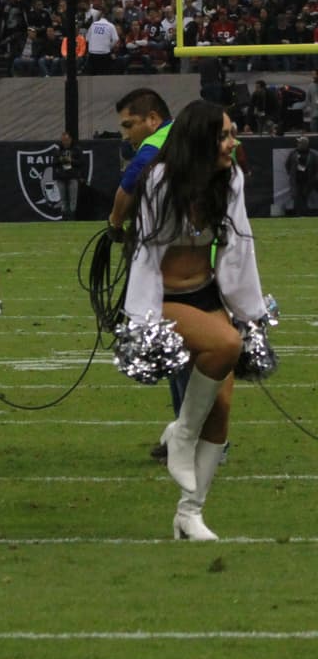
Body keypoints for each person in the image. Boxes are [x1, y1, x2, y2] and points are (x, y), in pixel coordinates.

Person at [122, 100, 266, 540]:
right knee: (225, 345)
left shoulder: (231, 179)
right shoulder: (162, 181)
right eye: (223, 135)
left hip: (206, 293)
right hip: (163, 297)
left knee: (221, 409)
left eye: (232, 133)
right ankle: (182, 434)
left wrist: (250, 314)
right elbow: (146, 255)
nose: (231, 143)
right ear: (200, 139)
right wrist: (141, 320)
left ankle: (190, 513)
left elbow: (239, 247)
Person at [109, 88, 192, 457]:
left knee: (180, 348)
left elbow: (128, 187)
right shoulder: (185, 139)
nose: (126, 133)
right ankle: (184, 432)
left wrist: (114, 224)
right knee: (176, 348)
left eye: (130, 124)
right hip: (189, 254)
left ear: (153, 119)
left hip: (176, 262)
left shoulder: (156, 144)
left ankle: (198, 438)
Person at [54, 131, 86, 220]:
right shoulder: (58, 151)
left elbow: (82, 163)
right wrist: (60, 160)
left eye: (67, 140)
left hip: (73, 177)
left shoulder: (76, 150)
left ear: (70, 140)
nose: (65, 142)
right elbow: (53, 163)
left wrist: (71, 160)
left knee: (73, 200)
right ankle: (64, 219)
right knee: (63, 200)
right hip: (61, 178)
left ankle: (72, 219)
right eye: (63, 140)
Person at [285, 136, 316, 216]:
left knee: (304, 196)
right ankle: (298, 213)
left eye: (299, 143)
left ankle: (304, 213)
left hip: (308, 180)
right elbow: (287, 165)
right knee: (296, 196)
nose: (298, 144)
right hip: (296, 180)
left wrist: (314, 178)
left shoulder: (312, 155)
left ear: (304, 144)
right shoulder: (293, 153)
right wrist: (291, 174)